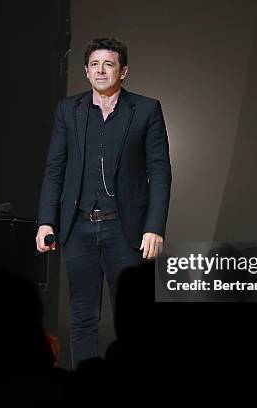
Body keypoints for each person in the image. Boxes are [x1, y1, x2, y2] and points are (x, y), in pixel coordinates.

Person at [36, 38, 171, 369]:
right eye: (94, 65)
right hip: (78, 228)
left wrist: (154, 227)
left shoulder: (146, 109)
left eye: (108, 64)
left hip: (126, 230)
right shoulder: (69, 110)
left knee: (135, 321)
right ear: (85, 71)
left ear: (123, 72)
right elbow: (55, 169)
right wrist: (45, 221)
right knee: (82, 318)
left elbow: (160, 172)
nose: (100, 70)